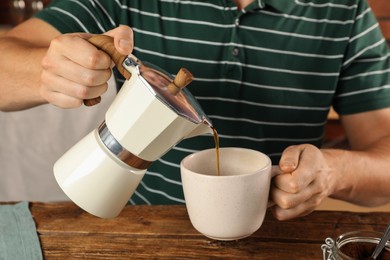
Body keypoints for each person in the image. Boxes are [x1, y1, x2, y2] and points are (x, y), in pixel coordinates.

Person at [1, 0, 390, 221]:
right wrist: (47, 70)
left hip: (279, 234)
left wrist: (333, 172)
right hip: (145, 228)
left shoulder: (345, 10)